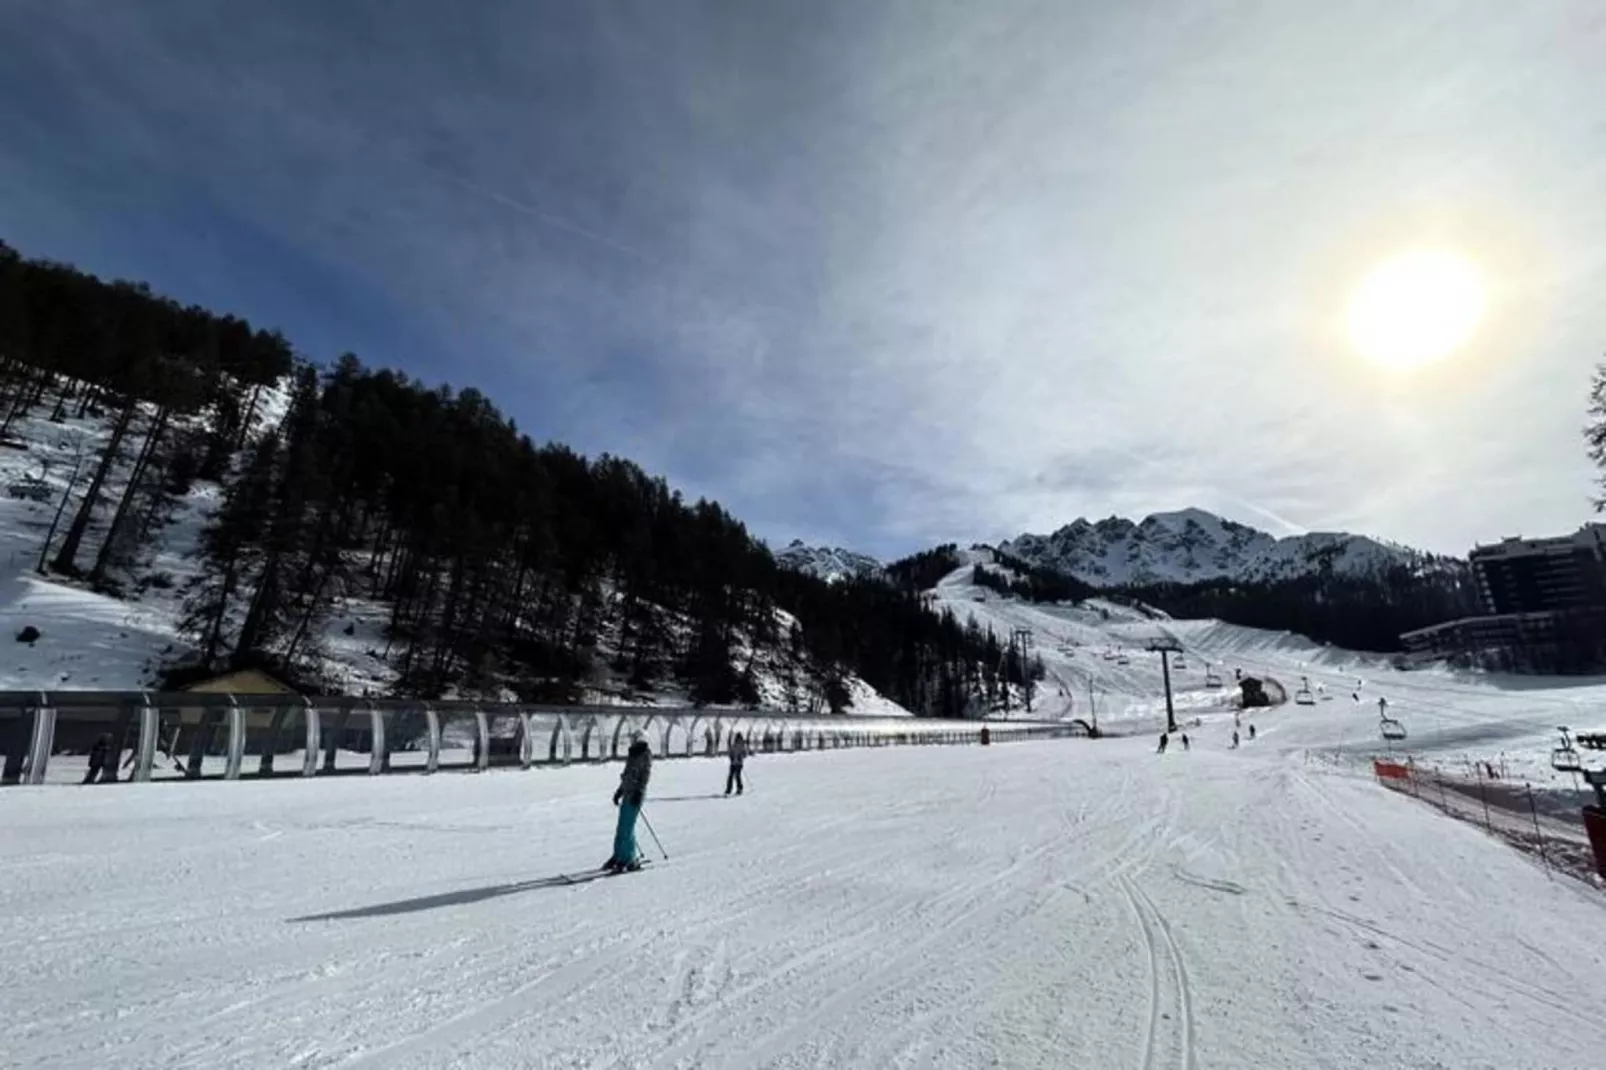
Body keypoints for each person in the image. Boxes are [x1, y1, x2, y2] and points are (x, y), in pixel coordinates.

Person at [605, 737, 653, 873]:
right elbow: (627, 776)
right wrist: (619, 791)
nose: (632, 741)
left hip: (635, 795)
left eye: (635, 739)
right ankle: (618, 855)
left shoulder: (645, 755)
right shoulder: (633, 754)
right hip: (628, 793)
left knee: (627, 828)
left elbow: (645, 775)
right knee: (621, 827)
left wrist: (640, 791)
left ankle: (630, 858)